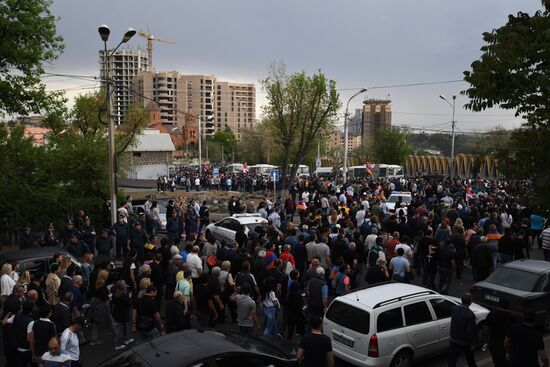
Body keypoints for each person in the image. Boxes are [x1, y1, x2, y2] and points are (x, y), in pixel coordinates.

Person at [448, 293, 478, 367]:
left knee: (452, 360)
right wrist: (472, 343)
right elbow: (470, 331)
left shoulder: (454, 309)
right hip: (465, 342)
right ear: (470, 302)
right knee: (470, 360)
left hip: (454, 339)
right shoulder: (470, 314)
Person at [484, 298, 515, 367]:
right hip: (506, 344)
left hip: (494, 342)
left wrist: (488, 337)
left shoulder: (491, 314)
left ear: (499, 304)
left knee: (497, 361)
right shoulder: (511, 318)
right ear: (508, 306)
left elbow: (485, 328)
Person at [111, 280, 133, 350]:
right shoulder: (123, 295)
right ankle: (118, 345)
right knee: (120, 329)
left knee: (123, 327)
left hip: (117, 313)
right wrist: (129, 297)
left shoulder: (116, 293)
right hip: (123, 314)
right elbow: (129, 304)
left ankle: (126, 339)